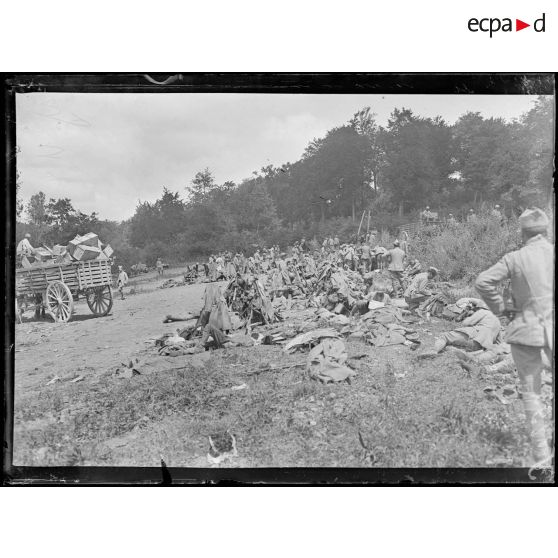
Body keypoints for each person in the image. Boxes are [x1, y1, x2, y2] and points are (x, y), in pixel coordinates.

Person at [475, 207, 553, 465]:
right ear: (546, 230)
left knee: (532, 393)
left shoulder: (515, 258)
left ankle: (541, 456)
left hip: (526, 330)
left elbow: (483, 281)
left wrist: (501, 308)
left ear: (523, 232)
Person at [430, 302, 501, 354]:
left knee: (445, 336)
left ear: (480, 308)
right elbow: (499, 342)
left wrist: (466, 314)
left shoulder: (483, 312)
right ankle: (460, 352)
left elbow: (466, 323)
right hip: (481, 346)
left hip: (474, 337)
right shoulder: (498, 321)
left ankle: (433, 351)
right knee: (450, 347)